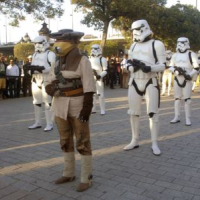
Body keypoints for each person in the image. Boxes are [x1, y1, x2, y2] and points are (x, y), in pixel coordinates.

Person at [45, 29, 95, 192]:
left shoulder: (83, 61)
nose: (56, 44)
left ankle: (86, 178)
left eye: (60, 40)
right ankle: (68, 173)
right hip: (59, 106)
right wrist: (50, 88)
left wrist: (87, 108)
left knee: (82, 141)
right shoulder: (57, 62)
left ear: (72, 42)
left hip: (78, 106)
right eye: (56, 40)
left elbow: (89, 87)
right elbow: (50, 80)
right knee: (65, 141)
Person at [124, 19, 166, 156]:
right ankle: (134, 139)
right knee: (133, 113)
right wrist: (129, 67)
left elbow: (163, 65)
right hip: (134, 81)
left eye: (137, 30)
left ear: (144, 28)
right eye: (133, 30)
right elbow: (128, 62)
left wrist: (150, 67)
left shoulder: (157, 44)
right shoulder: (133, 46)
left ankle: (154, 142)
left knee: (153, 113)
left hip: (150, 81)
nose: (135, 33)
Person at [28, 35, 56, 132]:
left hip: (46, 79)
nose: (37, 45)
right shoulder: (34, 55)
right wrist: (30, 70)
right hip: (35, 79)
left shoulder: (50, 54)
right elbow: (32, 66)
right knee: (36, 102)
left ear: (44, 43)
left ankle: (49, 123)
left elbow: (53, 68)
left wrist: (42, 70)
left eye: (39, 43)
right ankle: (38, 122)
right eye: (35, 43)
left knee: (47, 102)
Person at [169, 37, 199, 126]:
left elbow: (196, 67)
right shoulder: (175, 55)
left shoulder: (191, 54)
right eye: (178, 42)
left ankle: (187, 118)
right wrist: (175, 71)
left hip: (187, 79)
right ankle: (177, 116)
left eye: (182, 42)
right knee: (177, 99)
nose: (180, 44)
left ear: (186, 43)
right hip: (177, 78)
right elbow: (170, 66)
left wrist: (189, 75)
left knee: (187, 99)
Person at [90, 44, 108, 115]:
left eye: (95, 48)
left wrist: (100, 75)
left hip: (99, 78)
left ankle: (102, 109)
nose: (93, 50)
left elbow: (106, 70)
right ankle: (93, 108)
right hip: (91, 78)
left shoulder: (102, 59)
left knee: (101, 94)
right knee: (92, 94)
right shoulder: (89, 59)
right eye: (92, 48)